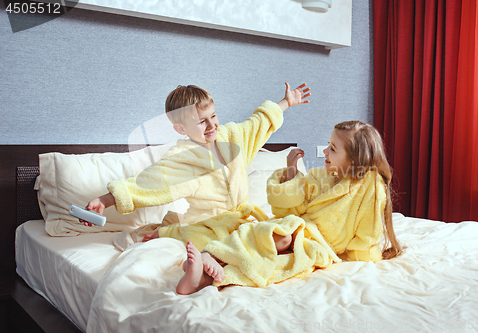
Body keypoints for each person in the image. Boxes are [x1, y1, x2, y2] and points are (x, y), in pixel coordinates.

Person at [176, 120, 404, 295]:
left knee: (280, 241)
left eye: (333, 148)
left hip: (319, 245)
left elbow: (369, 231)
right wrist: (291, 171)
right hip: (297, 232)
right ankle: (206, 269)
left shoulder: (371, 187)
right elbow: (289, 210)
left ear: (354, 161)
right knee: (272, 238)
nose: (325, 151)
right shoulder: (322, 177)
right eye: (328, 145)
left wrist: (361, 257)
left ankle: (209, 265)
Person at [82, 83, 311, 248]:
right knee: (205, 242)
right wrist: (104, 200)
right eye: (202, 121)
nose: (212, 124)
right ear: (181, 129)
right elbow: (147, 183)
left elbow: (257, 124)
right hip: (206, 224)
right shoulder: (183, 157)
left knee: (285, 235)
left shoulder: (232, 136)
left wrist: (286, 103)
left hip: (239, 220)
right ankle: (171, 236)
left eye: (213, 115)